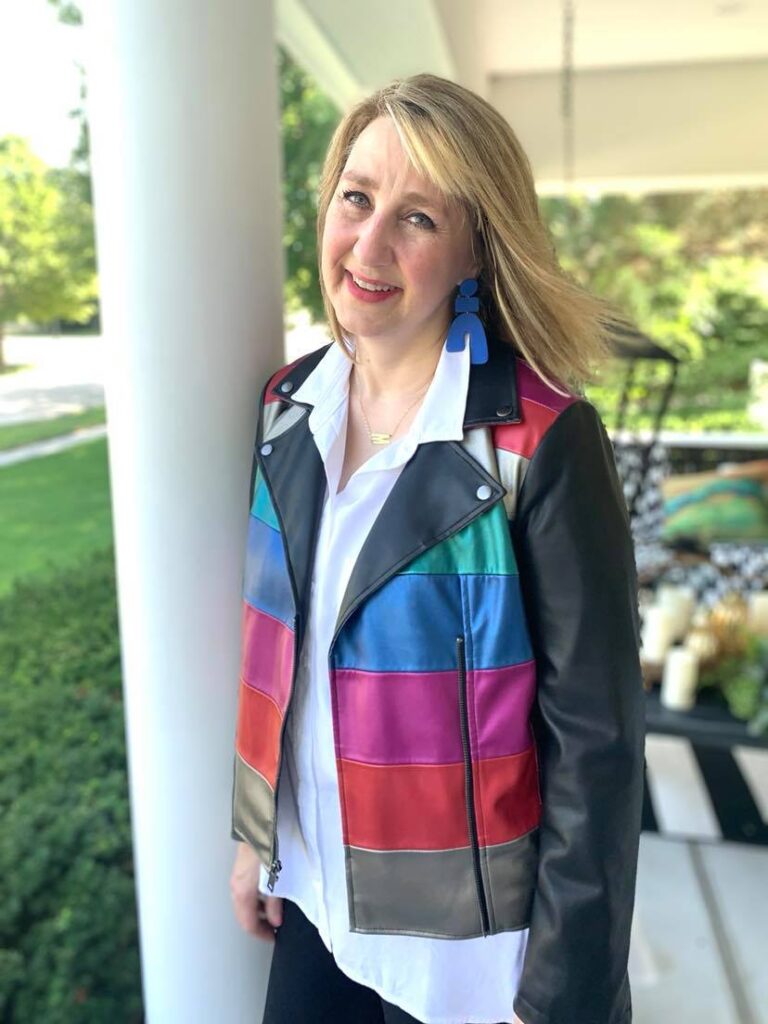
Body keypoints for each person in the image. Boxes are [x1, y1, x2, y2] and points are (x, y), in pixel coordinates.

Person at [229, 73, 645, 1024]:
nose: (369, 246)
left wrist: (562, 999)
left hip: (471, 969)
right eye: (357, 197)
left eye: (417, 217)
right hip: (319, 910)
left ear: (473, 251)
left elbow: (599, 749)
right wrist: (256, 834)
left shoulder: (540, 441)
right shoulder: (288, 406)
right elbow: (274, 647)